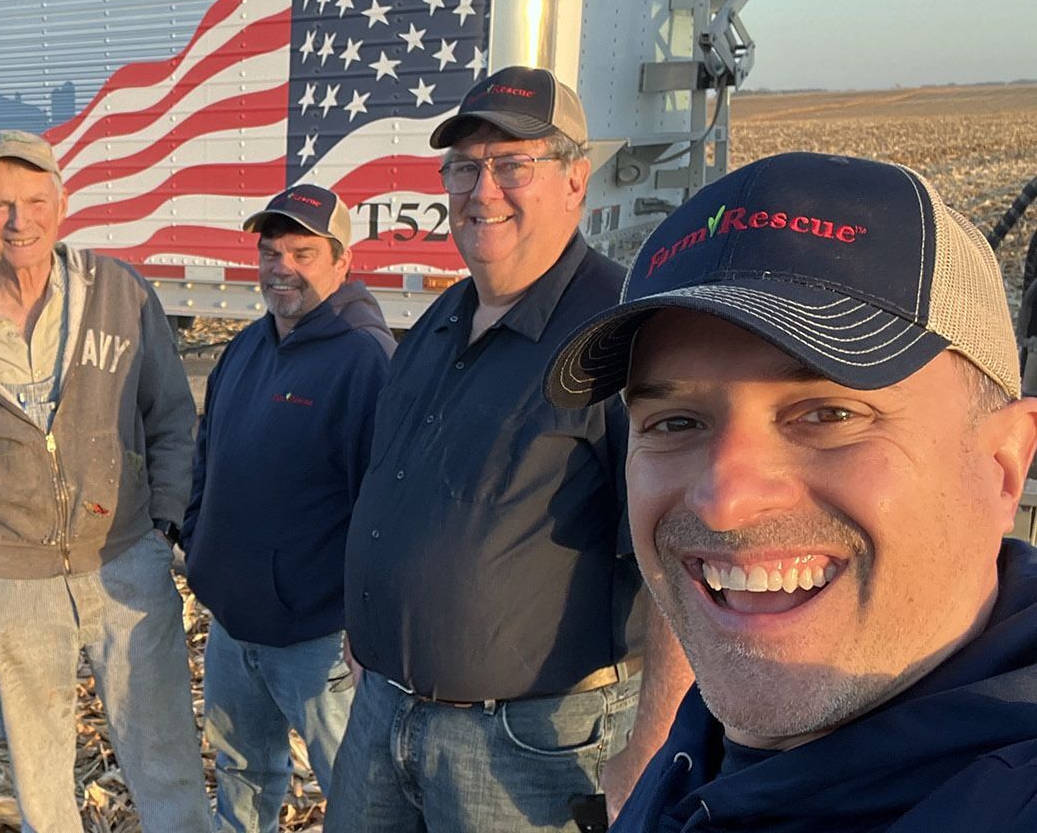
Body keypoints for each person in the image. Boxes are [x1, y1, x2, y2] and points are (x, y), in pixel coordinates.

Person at [540, 152, 1037, 830]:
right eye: (676, 422)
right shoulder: (702, 750)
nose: (726, 498)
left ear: (1004, 463)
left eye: (828, 415)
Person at [330, 66, 687, 832]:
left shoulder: (620, 337)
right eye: (465, 167)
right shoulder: (437, 322)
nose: (482, 190)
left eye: (512, 164)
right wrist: (370, 626)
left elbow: (681, 562)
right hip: (384, 710)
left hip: (530, 744)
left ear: (574, 180)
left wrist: (653, 745)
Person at [0, 129, 211, 833]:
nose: (19, 220)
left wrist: (162, 525)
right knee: (41, 785)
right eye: (0, 204)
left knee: (166, 764)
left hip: (124, 563)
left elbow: (170, 414)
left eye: (35, 200)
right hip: (8, 586)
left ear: (62, 203)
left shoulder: (117, 294)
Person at [184, 184, 393, 833]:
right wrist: (198, 545)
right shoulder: (247, 345)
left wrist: (364, 623)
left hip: (317, 638)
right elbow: (207, 455)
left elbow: (380, 506)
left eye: (303, 252)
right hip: (234, 626)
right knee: (243, 773)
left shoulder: (365, 359)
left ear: (342, 260)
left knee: (354, 790)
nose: (282, 267)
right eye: (271, 252)